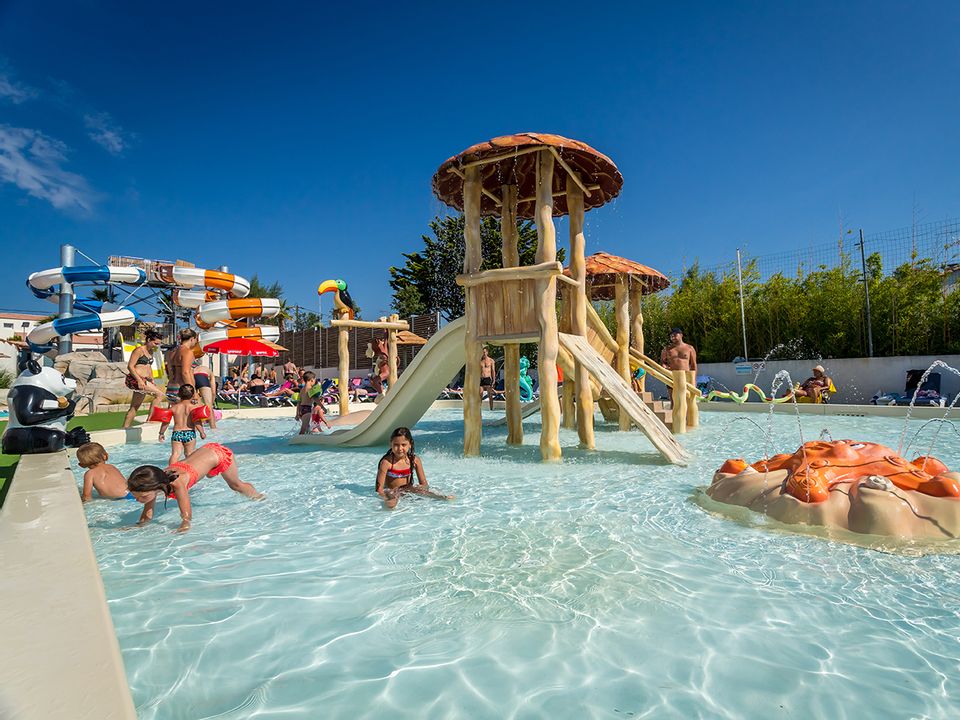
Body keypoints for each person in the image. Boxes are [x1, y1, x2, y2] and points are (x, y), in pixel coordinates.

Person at [125, 443, 263, 533]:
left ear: (156, 486)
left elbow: (186, 512)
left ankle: (258, 496)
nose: (139, 500)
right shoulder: (154, 481)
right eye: (136, 497)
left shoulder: (177, 482)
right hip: (204, 453)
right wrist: (138, 526)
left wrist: (185, 524)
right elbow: (148, 512)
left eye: (142, 497)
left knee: (235, 485)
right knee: (209, 474)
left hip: (218, 454)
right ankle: (209, 470)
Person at [375, 427, 453, 509]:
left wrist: (419, 490)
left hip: (408, 489)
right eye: (396, 445)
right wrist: (387, 496)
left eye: (403, 445)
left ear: (410, 444)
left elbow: (424, 484)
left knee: (430, 494)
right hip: (391, 491)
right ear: (391, 444)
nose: (400, 448)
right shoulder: (386, 463)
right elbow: (379, 489)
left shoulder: (415, 460)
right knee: (392, 504)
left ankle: (444, 498)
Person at [122, 329, 167, 428]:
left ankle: (125, 428)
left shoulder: (151, 352)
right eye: (155, 343)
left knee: (135, 407)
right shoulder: (139, 350)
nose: (157, 346)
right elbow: (130, 366)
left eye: (158, 344)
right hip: (137, 379)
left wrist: (152, 380)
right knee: (159, 395)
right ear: (149, 340)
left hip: (145, 380)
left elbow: (148, 366)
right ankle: (150, 420)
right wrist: (139, 380)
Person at [159, 384, 207, 466]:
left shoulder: (174, 408)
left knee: (175, 454)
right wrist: (201, 432)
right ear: (192, 395)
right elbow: (197, 422)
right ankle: (189, 472)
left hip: (177, 433)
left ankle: (170, 472)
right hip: (189, 433)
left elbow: (166, 422)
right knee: (189, 454)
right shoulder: (193, 408)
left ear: (179, 394)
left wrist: (161, 433)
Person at [190, 346, 218, 430]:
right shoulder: (206, 369)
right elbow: (213, 392)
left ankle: (196, 427)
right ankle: (213, 428)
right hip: (202, 377)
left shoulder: (190, 369)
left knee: (194, 405)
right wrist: (211, 402)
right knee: (209, 407)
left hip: (191, 377)